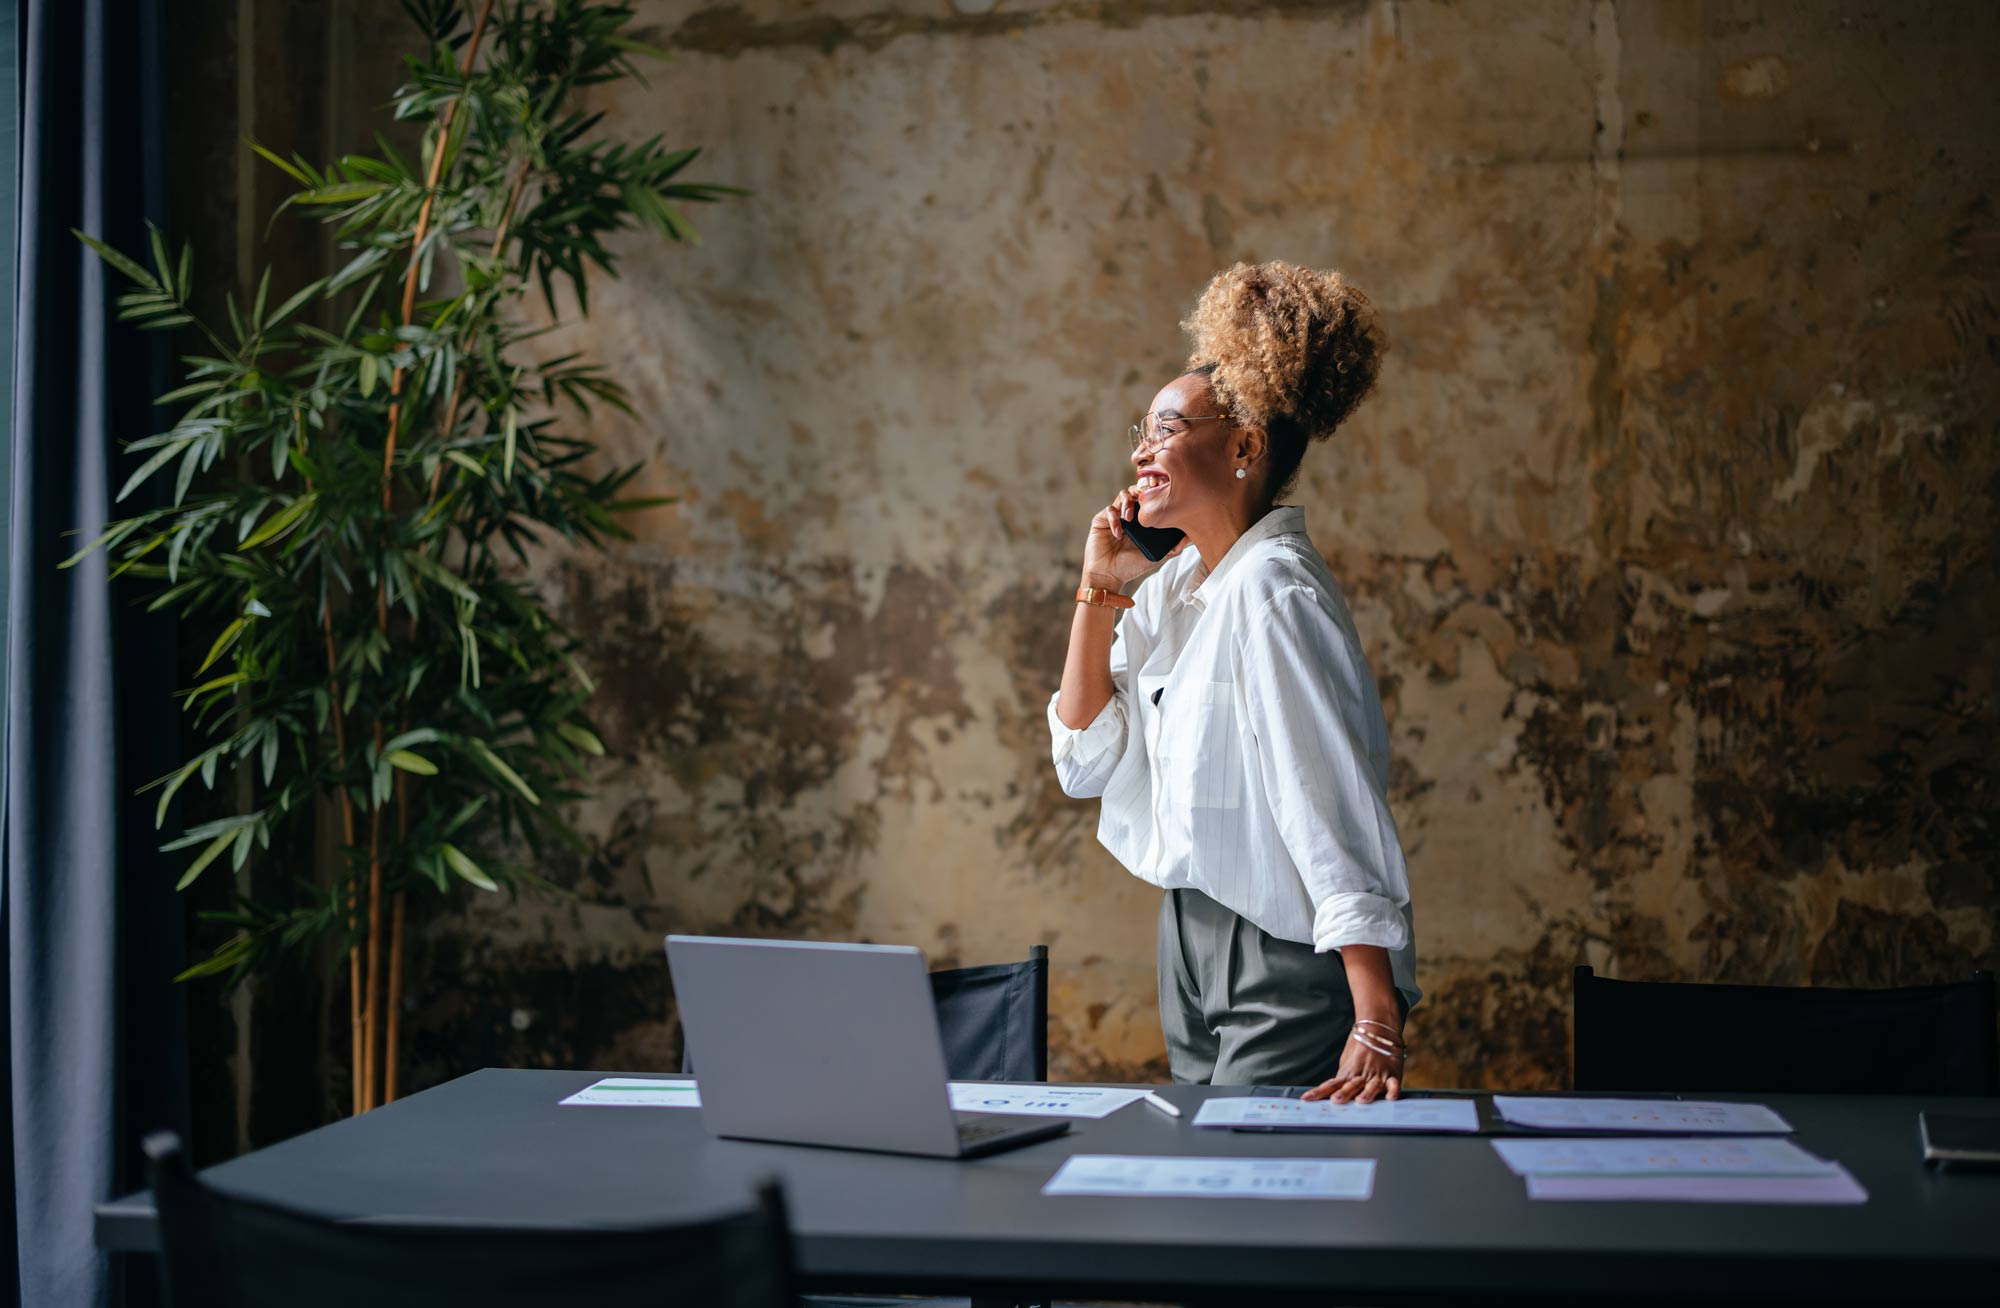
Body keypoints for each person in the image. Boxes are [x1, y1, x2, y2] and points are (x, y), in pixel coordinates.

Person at [1049, 260, 1417, 1104]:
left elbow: (1324, 796)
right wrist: (1100, 588)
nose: (1141, 450)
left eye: (1167, 427)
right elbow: (1082, 762)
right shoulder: (1182, 588)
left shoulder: (1271, 591)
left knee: (1265, 1202)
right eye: (1139, 429)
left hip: (1283, 954)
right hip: (1187, 937)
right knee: (1205, 1191)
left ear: (1245, 446)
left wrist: (1376, 1010)